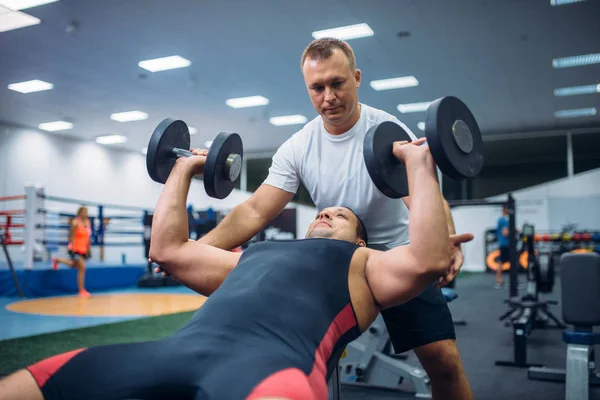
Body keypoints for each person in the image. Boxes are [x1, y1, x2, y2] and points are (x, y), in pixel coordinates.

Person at [0, 142, 473, 400]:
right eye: (321, 211)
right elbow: (167, 250)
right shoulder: (253, 255)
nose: (326, 213)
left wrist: (419, 162)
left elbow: (427, 258)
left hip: (271, 372)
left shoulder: (365, 264)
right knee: (25, 385)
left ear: (361, 239)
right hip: (173, 352)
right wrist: (182, 170)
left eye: (341, 216)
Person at [184, 38, 473, 399]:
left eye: (337, 84)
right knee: (295, 360)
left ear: (356, 77)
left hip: (398, 257)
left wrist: (445, 239)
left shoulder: (387, 130)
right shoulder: (299, 145)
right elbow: (256, 209)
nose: (328, 97)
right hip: (333, 266)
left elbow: (424, 195)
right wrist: (196, 249)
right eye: (317, 88)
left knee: (443, 359)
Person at [51, 205, 92, 298]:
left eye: (86, 212)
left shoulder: (88, 222)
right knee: (82, 268)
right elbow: (71, 236)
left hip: (83, 249)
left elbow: (88, 237)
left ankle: (57, 259)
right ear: (79, 213)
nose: (85, 214)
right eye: (83, 212)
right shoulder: (75, 222)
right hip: (75, 248)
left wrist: (89, 249)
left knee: (74, 265)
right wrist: (73, 249)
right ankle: (81, 290)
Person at [495, 205, 510, 288]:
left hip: (505, 244)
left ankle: (499, 281)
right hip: (505, 244)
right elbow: (505, 233)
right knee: (501, 262)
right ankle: (499, 281)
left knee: (511, 262)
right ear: (505, 210)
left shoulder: (503, 220)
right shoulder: (503, 220)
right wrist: (513, 231)